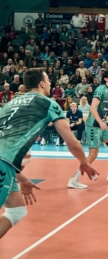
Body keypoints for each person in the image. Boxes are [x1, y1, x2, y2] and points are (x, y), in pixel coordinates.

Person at [0, 68, 98, 239]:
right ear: (42, 83)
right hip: (3, 163)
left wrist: (23, 179)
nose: (51, 83)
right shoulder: (47, 103)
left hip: (6, 163)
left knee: (17, 210)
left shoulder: (10, 103)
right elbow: (71, 142)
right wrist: (84, 162)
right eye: (48, 81)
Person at [67, 70, 108, 189]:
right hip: (93, 125)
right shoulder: (100, 89)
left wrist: (102, 122)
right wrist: (101, 122)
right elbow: (92, 108)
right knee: (93, 155)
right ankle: (74, 180)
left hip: (101, 125)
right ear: (105, 79)